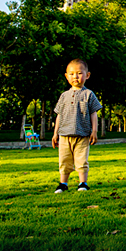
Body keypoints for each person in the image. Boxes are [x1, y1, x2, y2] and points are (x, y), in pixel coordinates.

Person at [52, 59, 102, 193]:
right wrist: (55, 133)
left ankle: (83, 183)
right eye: (72, 73)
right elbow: (59, 115)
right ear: (67, 76)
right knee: (64, 160)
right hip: (64, 135)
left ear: (87, 75)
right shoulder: (64, 96)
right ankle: (63, 183)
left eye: (79, 73)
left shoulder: (89, 94)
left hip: (83, 134)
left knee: (81, 160)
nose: (75, 76)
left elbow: (93, 113)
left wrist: (94, 131)